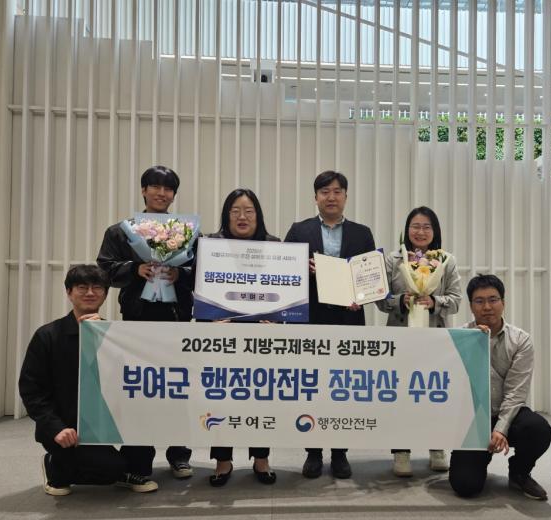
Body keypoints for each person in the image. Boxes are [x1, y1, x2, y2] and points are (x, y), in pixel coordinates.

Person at [19, 265, 158, 495]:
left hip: (104, 419)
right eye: (82, 287)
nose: (90, 293)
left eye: (97, 288)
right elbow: (31, 389)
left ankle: (128, 470)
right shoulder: (48, 335)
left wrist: (100, 332)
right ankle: (55, 465)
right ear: (69, 292)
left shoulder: (116, 335)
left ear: (105, 293)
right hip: (66, 426)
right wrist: (56, 428)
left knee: (139, 436)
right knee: (109, 469)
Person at [96, 165, 194, 479]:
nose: (161, 193)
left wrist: (180, 273)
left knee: (178, 387)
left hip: (177, 319)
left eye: (168, 189)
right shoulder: (121, 231)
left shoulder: (186, 232)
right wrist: (134, 269)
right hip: (137, 319)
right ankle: (138, 458)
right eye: (155, 187)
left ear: (174, 195)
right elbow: (104, 270)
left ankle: (179, 454)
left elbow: (202, 271)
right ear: (143, 190)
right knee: (139, 389)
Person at [285, 170, 376, 479]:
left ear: (346, 196)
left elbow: (370, 278)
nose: (331, 197)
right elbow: (284, 272)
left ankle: (340, 452)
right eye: (325, 192)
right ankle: (313, 451)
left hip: (348, 319)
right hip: (310, 320)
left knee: (342, 388)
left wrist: (361, 297)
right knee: (311, 387)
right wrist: (301, 268)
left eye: (337, 191)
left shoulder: (362, 233)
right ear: (316, 197)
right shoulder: (299, 230)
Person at [198, 188, 278, 487]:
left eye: (248, 211)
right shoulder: (211, 244)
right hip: (223, 335)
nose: (242, 217)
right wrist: (209, 318)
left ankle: (261, 458)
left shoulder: (274, 246)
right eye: (235, 211)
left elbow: (285, 289)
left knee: (261, 396)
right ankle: (223, 460)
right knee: (222, 397)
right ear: (226, 215)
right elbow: (199, 287)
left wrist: (278, 319)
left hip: (261, 336)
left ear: (258, 215)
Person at [449, 274, 551, 500]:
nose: (487, 307)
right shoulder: (460, 337)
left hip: (508, 412)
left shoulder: (521, 340)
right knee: (465, 486)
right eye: (479, 301)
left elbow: (516, 392)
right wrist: (476, 343)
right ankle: (478, 460)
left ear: (503, 303)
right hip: (473, 417)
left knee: (538, 430)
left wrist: (500, 429)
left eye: (493, 299)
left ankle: (519, 472)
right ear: (471, 306)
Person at [376, 206, 462, 477]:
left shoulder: (446, 260)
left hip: (436, 339)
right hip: (400, 338)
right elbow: (380, 299)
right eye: (415, 226)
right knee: (400, 395)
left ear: (435, 231)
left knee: (434, 393)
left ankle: (437, 447)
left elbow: (456, 300)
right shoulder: (393, 260)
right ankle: (401, 451)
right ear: (407, 229)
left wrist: (434, 301)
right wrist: (399, 301)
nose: (420, 231)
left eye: (426, 226)